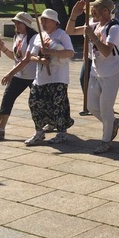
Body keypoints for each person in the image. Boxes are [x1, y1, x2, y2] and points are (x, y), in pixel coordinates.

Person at [67, 0, 119, 154]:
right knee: (92, 106)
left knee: (106, 109)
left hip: (111, 73)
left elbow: (106, 52)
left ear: (106, 11)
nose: (92, 12)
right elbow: (69, 31)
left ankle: (106, 141)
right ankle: (113, 123)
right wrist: (74, 15)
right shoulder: (93, 25)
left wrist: (92, 36)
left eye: (95, 10)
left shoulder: (114, 28)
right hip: (95, 72)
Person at [22, 9, 75, 145]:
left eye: (46, 20)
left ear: (54, 22)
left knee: (58, 104)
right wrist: (40, 59)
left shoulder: (62, 35)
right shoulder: (39, 36)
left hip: (58, 77)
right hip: (41, 77)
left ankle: (62, 132)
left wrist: (51, 52)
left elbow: (69, 53)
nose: (43, 22)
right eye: (42, 20)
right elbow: (31, 56)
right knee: (34, 102)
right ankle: (39, 132)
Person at [0, 12, 38, 140]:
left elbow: (26, 60)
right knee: (8, 97)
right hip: (19, 74)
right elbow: (16, 57)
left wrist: (10, 73)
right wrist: (4, 49)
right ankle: (0, 129)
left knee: (37, 102)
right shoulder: (17, 36)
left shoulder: (34, 37)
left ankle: (46, 125)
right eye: (15, 22)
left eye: (19, 22)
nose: (16, 25)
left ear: (26, 24)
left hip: (33, 75)